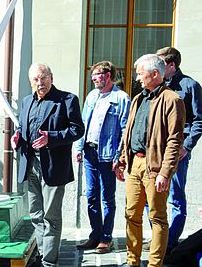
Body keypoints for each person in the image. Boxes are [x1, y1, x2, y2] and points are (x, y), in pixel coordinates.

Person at [10, 62, 84, 267]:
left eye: (43, 77)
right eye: (35, 79)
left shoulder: (67, 100)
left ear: (51, 77)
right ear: (30, 82)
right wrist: (17, 140)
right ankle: (42, 254)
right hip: (31, 163)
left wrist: (50, 138)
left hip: (53, 166)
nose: (40, 82)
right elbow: (23, 129)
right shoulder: (26, 102)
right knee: (35, 213)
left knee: (51, 216)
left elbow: (77, 130)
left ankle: (49, 261)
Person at [115, 54, 185, 267]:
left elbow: (175, 140)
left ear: (155, 74)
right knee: (131, 214)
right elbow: (129, 130)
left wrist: (165, 172)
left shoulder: (172, 100)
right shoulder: (138, 98)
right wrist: (121, 159)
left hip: (155, 167)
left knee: (157, 217)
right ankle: (132, 261)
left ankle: (154, 264)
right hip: (134, 163)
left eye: (140, 73)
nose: (137, 78)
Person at [142, 47, 202, 255]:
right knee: (151, 196)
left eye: (160, 64)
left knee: (175, 197)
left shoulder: (190, 86)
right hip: (155, 150)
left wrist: (187, 146)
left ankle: (169, 244)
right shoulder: (156, 88)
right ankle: (160, 237)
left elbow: (199, 120)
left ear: (171, 65)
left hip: (178, 152)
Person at [75, 61, 130, 254]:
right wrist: (79, 147)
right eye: (93, 75)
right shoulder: (92, 96)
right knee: (91, 195)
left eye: (97, 74)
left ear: (108, 75)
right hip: (90, 152)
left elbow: (125, 131)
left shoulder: (121, 98)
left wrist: (119, 156)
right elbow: (83, 123)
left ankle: (106, 238)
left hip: (107, 155)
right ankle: (95, 234)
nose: (93, 78)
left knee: (107, 197)